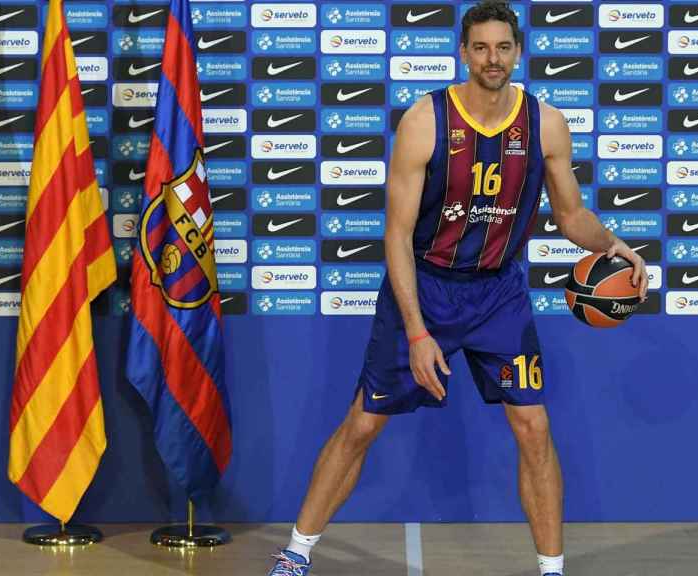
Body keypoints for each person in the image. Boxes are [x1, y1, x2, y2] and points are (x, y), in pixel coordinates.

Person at [267, 2, 647, 574]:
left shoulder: (545, 124)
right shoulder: (425, 121)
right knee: (364, 424)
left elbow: (571, 218)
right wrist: (418, 332)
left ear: (518, 51)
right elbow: (395, 236)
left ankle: (552, 570)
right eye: (480, 48)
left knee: (533, 426)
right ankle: (296, 553)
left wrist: (612, 243)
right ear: (463, 52)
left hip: (499, 294)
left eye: (502, 47)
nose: (492, 59)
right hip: (426, 287)